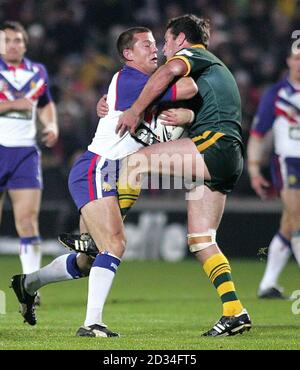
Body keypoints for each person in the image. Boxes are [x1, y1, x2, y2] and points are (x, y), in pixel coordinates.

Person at [10, 27, 197, 335]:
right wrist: (188, 65)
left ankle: (28, 283)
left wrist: (184, 116)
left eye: (155, 44)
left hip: (111, 174)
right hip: (97, 168)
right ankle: (92, 323)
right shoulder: (132, 79)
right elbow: (188, 88)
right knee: (115, 244)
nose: (156, 50)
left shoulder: (138, 85)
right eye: (147, 45)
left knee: (88, 261)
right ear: (128, 54)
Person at [114, 14, 252, 337]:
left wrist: (134, 110)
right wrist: (189, 115)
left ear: (181, 40)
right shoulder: (211, 69)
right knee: (201, 240)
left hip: (214, 146)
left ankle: (105, 233)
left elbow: (171, 71)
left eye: (165, 40)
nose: (163, 48)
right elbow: (203, 99)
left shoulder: (193, 55)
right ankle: (235, 310)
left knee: (136, 163)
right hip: (228, 155)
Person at [0, 22, 58, 279]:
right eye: (7, 40)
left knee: (27, 221)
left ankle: (30, 284)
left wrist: (51, 124)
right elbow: (25, 104)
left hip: (25, 153)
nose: (13, 45)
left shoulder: (38, 71)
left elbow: (44, 103)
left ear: (25, 44)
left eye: (18, 40)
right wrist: (16, 104)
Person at [247, 49, 300, 299]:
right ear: (288, 61)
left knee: (289, 223)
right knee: (298, 217)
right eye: (297, 58)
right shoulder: (276, 94)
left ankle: (267, 284)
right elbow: (257, 135)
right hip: (288, 163)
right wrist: (255, 169)